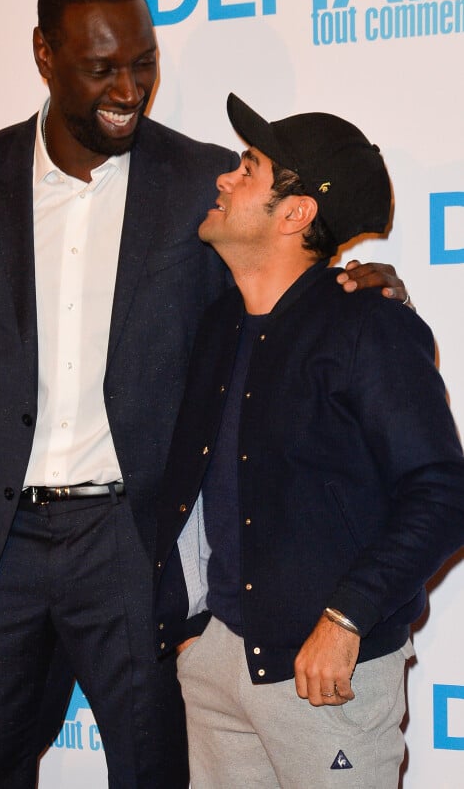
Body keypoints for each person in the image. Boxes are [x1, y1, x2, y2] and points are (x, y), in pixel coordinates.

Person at [0, 0, 406, 789]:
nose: (130, 87)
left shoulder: (199, 182)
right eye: (103, 67)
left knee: (154, 773)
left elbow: (276, 284)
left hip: (134, 548)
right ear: (44, 56)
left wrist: (360, 283)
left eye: (144, 62)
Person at [153, 94, 464, 788]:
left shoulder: (369, 327)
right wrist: (190, 629)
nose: (225, 179)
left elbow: (443, 492)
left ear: (296, 213)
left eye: (250, 168)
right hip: (217, 661)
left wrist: (346, 616)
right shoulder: (219, 324)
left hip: (323, 676)